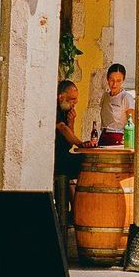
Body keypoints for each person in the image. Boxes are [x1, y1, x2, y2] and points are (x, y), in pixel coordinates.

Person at [54, 80, 86, 223]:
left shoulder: (66, 110)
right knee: (81, 163)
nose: (74, 104)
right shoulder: (54, 109)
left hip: (63, 154)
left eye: (75, 101)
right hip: (55, 158)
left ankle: (76, 210)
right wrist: (81, 144)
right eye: (71, 100)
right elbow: (63, 129)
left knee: (85, 161)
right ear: (61, 97)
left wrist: (72, 122)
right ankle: (75, 210)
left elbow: (68, 142)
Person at [99, 62, 135, 145]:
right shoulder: (105, 96)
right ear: (107, 79)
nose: (114, 84)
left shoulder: (126, 97)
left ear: (123, 81)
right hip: (104, 136)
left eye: (118, 81)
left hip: (118, 137)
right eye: (112, 80)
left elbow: (131, 123)